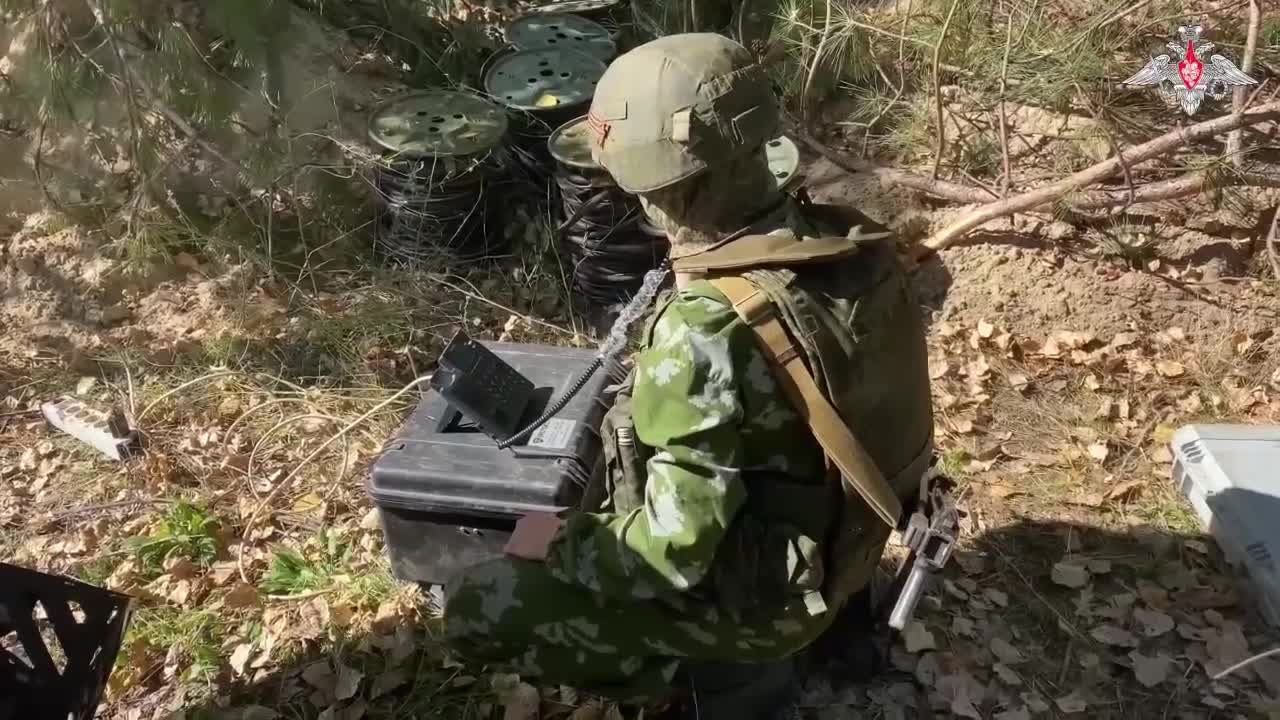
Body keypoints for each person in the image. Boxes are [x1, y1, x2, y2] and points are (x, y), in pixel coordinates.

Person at [443, 33, 934, 718]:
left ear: (650, 182)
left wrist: (564, 546)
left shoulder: (704, 329)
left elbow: (671, 554)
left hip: (769, 605)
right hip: (852, 545)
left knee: (477, 608)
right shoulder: (853, 244)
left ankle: (688, 673)